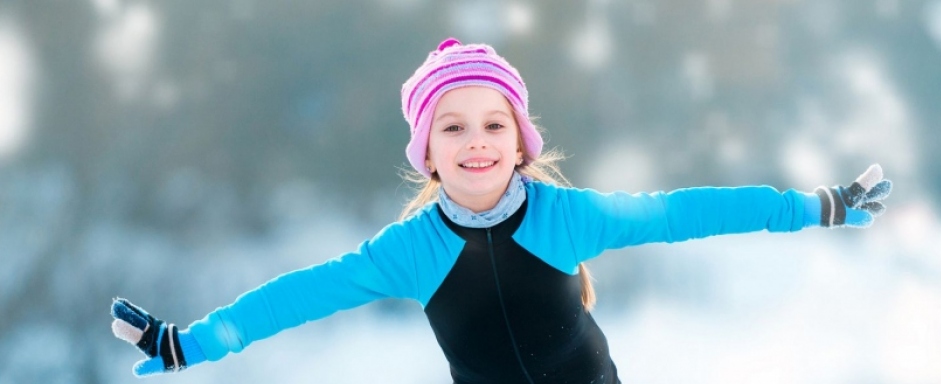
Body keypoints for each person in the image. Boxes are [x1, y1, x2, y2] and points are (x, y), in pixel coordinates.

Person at [110, 38, 892, 383]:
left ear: (519, 141)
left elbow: (686, 211)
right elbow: (298, 295)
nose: (476, 143)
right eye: (453, 127)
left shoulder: (566, 218)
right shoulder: (411, 251)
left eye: (493, 125)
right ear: (428, 150)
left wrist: (811, 206)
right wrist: (192, 342)